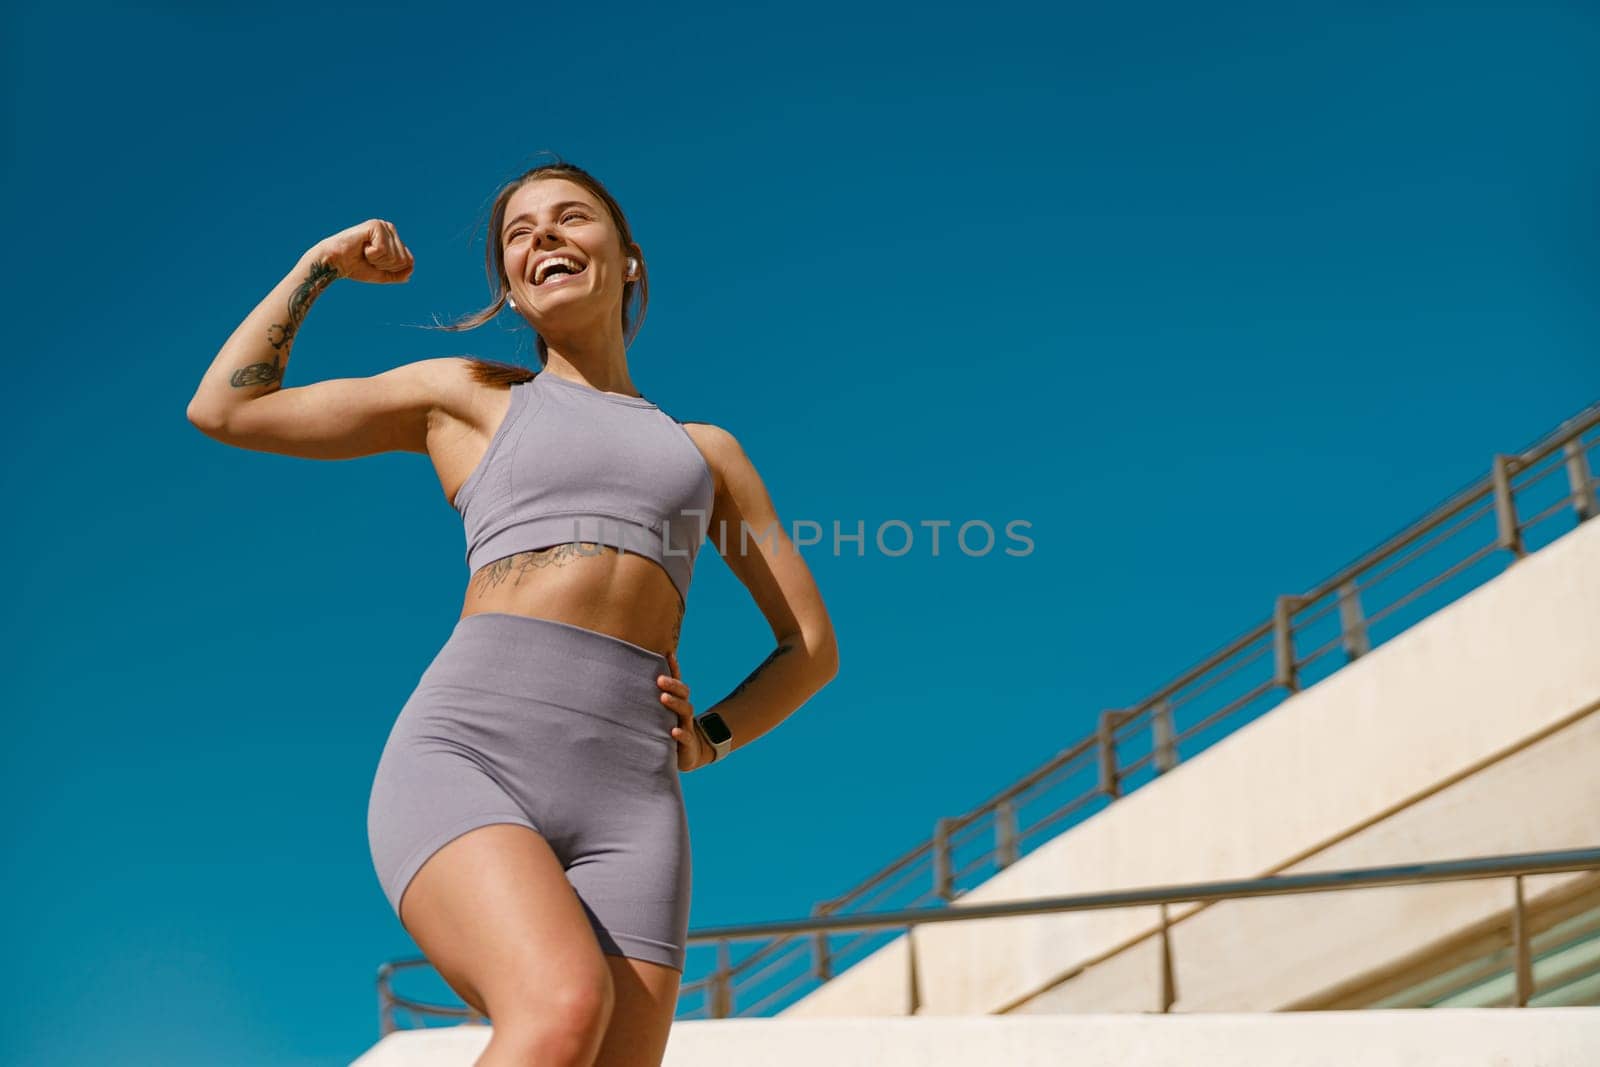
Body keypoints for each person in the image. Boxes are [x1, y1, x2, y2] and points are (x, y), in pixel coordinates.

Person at [185, 160, 840, 1067]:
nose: (543, 237)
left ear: (631, 260)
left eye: (571, 217)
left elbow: (808, 646)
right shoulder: (467, 397)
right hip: (471, 751)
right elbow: (226, 406)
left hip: (633, 805)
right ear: (512, 291)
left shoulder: (706, 455)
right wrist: (323, 265)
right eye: (519, 233)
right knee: (561, 1006)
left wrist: (713, 735)